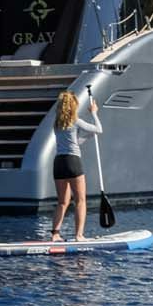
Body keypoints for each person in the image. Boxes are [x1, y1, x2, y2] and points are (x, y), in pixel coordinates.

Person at [49, 90, 102, 242]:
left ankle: (55, 235)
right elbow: (99, 129)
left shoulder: (57, 124)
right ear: (73, 106)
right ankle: (79, 235)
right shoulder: (76, 121)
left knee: (62, 202)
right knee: (80, 200)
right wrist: (94, 113)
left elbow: (73, 141)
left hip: (59, 163)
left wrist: (88, 136)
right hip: (73, 162)